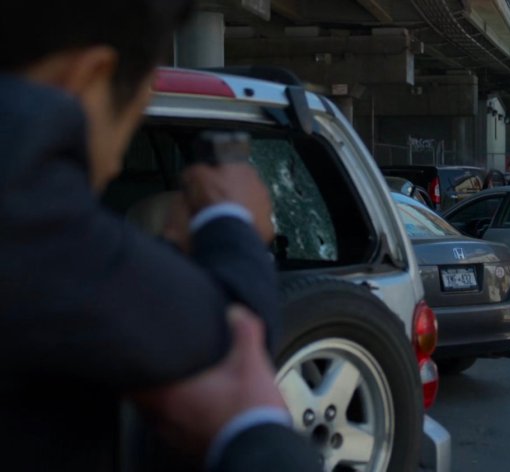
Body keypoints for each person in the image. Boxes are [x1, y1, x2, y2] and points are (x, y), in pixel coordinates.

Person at [0, 1, 319, 471]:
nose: (112, 167)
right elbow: (228, 344)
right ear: (89, 77)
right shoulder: (31, 213)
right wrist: (230, 222)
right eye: (134, 116)